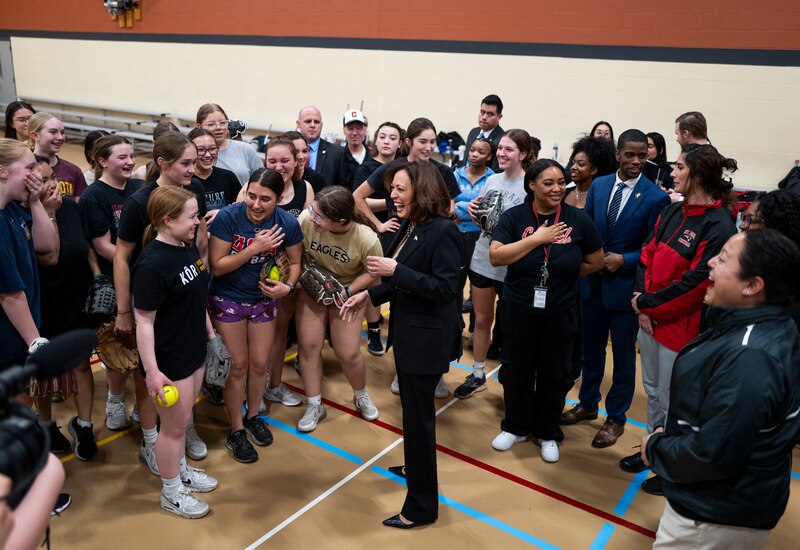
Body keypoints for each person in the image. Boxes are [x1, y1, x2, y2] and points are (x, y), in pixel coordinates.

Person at [642, 229, 800, 549]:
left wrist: (655, 449)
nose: (711, 262)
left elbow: (713, 454)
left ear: (752, 286)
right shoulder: (757, 324)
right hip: (722, 502)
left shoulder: (750, 356)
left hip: (714, 515)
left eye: (724, 259)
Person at [340, 160, 461, 529]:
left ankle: (422, 507)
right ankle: (414, 466)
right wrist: (370, 296)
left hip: (427, 340)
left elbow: (444, 289)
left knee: (419, 421)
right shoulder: (412, 226)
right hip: (411, 336)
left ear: (422, 191)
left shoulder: (443, 232)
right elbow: (401, 280)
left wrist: (396, 272)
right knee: (411, 414)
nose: (391, 195)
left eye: (400, 189)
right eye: (392, 189)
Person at [618, 144, 738, 494]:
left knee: (676, 401)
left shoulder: (718, 225)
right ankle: (650, 449)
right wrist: (642, 304)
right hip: (650, 320)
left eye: (679, 167)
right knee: (654, 393)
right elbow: (646, 256)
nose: (672, 173)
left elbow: (697, 283)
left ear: (697, 174)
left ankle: (671, 465)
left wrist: (648, 306)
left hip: (679, 329)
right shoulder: (672, 212)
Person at [561, 129, 671, 448]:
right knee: (590, 350)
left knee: (623, 357)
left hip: (624, 289)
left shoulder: (655, 197)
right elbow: (589, 229)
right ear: (619, 153)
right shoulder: (600, 184)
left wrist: (624, 259)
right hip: (592, 284)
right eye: (631, 154)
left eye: (643, 155)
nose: (637, 160)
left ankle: (616, 418)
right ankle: (587, 404)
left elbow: (654, 246)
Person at [488, 159, 603, 460]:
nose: (557, 188)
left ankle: (548, 431)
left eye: (561, 182)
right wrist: (537, 239)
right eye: (549, 183)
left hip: (560, 311)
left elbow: (596, 260)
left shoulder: (578, 219)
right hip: (519, 308)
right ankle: (515, 426)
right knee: (517, 369)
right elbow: (497, 256)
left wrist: (562, 276)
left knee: (555, 372)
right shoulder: (515, 217)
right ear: (532, 185)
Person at [115, 131, 210, 466]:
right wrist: (125, 309)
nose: (192, 168)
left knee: (184, 397)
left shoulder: (194, 191)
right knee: (150, 382)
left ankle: (181, 434)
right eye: (185, 163)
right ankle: (153, 442)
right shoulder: (140, 203)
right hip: (155, 301)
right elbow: (121, 257)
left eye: (194, 161)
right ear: (162, 164)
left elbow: (198, 243)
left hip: (184, 293)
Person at [133, 185, 218, 519]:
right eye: (192, 216)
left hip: (193, 349)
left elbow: (196, 297)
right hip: (169, 361)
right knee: (174, 429)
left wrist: (210, 334)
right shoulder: (152, 265)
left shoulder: (185, 248)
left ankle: (181, 469)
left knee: (182, 420)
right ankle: (171, 492)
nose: (197, 221)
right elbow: (143, 322)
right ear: (167, 220)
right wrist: (152, 372)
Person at [208, 169, 302, 463]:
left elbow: (297, 262)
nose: (257, 204)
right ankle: (236, 429)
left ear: (279, 198)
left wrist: (287, 287)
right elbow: (218, 266)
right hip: (228, 298)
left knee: (260, 365)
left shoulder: (287, 223)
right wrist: (254, 248)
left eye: (265, 199)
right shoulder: (228, 217)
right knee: (238, 366)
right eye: (252, 196)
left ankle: (253, 414)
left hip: (263, 301)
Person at [294, 186, 383, 431]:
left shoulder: (366, 238)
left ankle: (361, 394)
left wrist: (348, 292)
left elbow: (373, 273)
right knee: (309, 346)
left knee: (348, 352)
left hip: (347, 292)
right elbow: (296, 253)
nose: (313, 217)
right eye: (313, 210)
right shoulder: (306, 220)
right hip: (312, 288)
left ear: (341, 221)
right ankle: (314, 404)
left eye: (319, 216)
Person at [455, 129, 535, 400]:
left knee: (513, 326)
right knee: (481, 320)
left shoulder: (530, 185)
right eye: (500, 148)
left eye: (508, 149)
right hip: (483, 259)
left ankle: (514, 378)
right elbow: (484, 224)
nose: (501, 153)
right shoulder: (492, 181)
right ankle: (477, 373)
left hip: (513, 265)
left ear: (522, 154)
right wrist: (477, 214)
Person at [30, 156, 97, 460]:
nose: (52, 184)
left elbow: (87, 248)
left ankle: (84, 425)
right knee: (43, 370)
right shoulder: (23, 216)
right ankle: (45, 423)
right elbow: (48, 257)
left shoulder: (71, 207)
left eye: (52, 177)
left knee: (83, 364)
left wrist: (99, 278)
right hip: (43, 303)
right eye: (42, 179)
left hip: (76, 297)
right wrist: (48, 214)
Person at [79, 135, 141, 430]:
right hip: (117, 277)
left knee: (144, 344)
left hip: (144, 277)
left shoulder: (138, 188)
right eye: (122, 157)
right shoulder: (94, 197)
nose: (130, 161)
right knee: (119, 344)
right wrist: (141, 262)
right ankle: (116, 400)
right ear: (103, 161)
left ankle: (143, 403)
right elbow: (103, 245)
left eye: (131, 156)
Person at [0, 138, 57, 373]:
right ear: (2, 171)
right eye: (29, 168)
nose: (36, 175)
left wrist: (34, 201)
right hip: (8, 336)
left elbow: (46, 244)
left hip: (20, 332)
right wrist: (35, 341)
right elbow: (9, 291)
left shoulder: (12, 208)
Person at [353, 117, 460, 242]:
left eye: (432, 142)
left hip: (428, 237)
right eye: (423, 141)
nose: (428, 147)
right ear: (408, 142)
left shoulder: (443, 171)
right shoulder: (393, 167)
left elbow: (449, 209)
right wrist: (379, 225)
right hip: (395, 235)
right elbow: (357, 196)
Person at [352, 121, 404, 356]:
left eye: (392, 137)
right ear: (375, 141)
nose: (387, 141)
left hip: (398, 229)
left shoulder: (404, 167)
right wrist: (380, 221)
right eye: (382, 136)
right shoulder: (367, 168)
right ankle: (373, 330)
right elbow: (357, 199)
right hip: (372, 229)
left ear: (401, 143)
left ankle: (386, 327)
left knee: (391, 280)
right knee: (373, 279)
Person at [738, 188, 800, 329]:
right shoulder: (753, 262)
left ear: (774, 229)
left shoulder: (784, 294)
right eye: (743, 217)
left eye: (751, 220)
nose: (742, 225)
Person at [197, 103, 262, 185]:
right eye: (211, 124)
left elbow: (262, 180)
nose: (218, 127)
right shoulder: (193, 152)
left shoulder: (246, 149)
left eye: (222, 123)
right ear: (199, 127)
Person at [187, 128, 240, 226]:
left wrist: (222, 213)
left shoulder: (228, 177)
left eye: (212, 149)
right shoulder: (185, 181)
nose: (208, 155)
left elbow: (241, 209)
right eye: (201, 150)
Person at [26, 113, 87, 198]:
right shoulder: (25, 169)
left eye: (62, 132)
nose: (60, 137)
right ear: (35, 136)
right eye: (53, 132)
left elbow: (78, 208)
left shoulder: (73, 171)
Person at [296, 105, 345, 188]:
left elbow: (344, 188)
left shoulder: (337, 153)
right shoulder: (288, 149)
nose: (312, 125)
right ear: (298, 124)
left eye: (316, 122)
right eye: (308, 121)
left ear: (321, 125)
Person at [565, 136, 617, 209]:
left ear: (593, 170)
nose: (573, 167)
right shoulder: (564, 192)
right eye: (573, 163)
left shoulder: (601, 197)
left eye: (580, 164)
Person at [464, 95, 505, 171]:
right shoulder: (474, 132)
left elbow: (496, 172)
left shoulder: (502, 140)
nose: (484, 117)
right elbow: (465, 162)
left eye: (490, 114)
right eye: (482, 112)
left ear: (499, 117)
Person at [338, 109, 369, 188]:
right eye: (350, 128)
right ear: (344, 130)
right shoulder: (337, 157)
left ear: (364, 130)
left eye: (358, 128)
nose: (355, 133)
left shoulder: (373, 156)